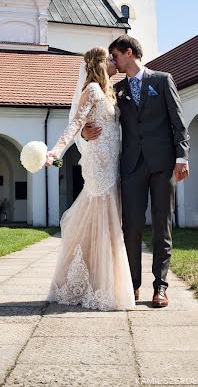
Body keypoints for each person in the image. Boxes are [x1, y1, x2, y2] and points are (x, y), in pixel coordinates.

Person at [82, 35, 190, 308]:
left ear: (128, 53)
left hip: (163, 164)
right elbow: (97, 115)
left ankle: (160, 287)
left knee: (161, 225)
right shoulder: (117, 91)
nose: (113, 62)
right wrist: (84, 132)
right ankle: (133, 285)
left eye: (116, 56)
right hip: (130, 166)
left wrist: (182, 157)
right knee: (131, 226)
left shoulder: (162, 80)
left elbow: (178, 122)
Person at [45, 46, 135, 311]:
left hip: (112, 162)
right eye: (110, 59)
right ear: (98, 63)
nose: (114, 62)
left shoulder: (110, 93)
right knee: (100, 220)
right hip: (97, 164)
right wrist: (56, 151)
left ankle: (101, 281)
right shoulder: (93, 90)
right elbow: (74, 124)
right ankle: (97, 287)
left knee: (108, 223)